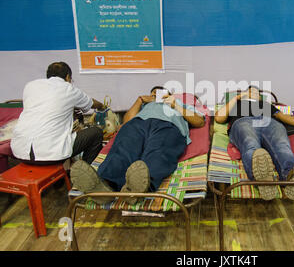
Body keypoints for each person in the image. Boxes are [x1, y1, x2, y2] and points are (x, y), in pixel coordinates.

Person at [70, 86, 205, 204]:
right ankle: (105, 185)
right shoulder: (143, 106)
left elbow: (199, 121)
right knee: (124, 147)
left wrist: (175, 104)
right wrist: (140, 100)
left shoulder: (179, 103)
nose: (155, 96)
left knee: (158, 152)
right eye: (152, 94)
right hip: (138, 123)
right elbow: (127, 121)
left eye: (159, 94)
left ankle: (139, 188)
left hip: (168, 126)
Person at [215, 86, 294, 201]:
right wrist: (238, 98)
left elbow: (283, 117)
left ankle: (292, 178)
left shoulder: (265, 104)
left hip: (269, 122)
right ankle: (262, 180)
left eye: (257, 92)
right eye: (250, 91)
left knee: (281, 145)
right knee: (251, 145)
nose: (254, 93)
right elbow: (219, 118)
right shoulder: (237, 104)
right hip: (243, 122)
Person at [11, 62, 105, 165]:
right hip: (50, 155)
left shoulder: (30, 86)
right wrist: (102, 107)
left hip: (20, 152)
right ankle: (85, 172)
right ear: (68, 77)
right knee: (96, 133)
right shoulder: (69, 89)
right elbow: (91, 103)